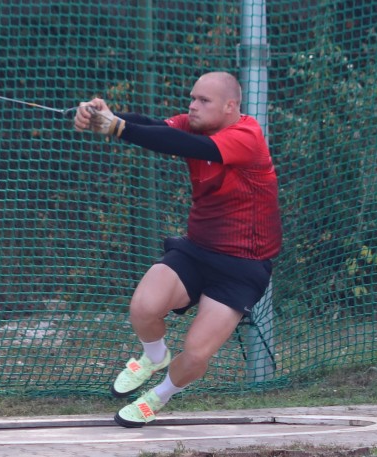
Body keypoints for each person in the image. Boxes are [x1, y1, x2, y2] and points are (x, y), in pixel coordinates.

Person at [74, 71, 282, 428]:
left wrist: (119, 128)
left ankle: (160, 395)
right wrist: (104, 116)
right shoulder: (194, 124)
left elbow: (183, 145)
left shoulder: (247, 136)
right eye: (192, 98)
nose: (192, 106)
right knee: (143, 307)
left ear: (230, 106)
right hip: (197, 250)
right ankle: (154, 356)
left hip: (242, 266)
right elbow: (156, 127)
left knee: (197, 353)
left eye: (203, 100)